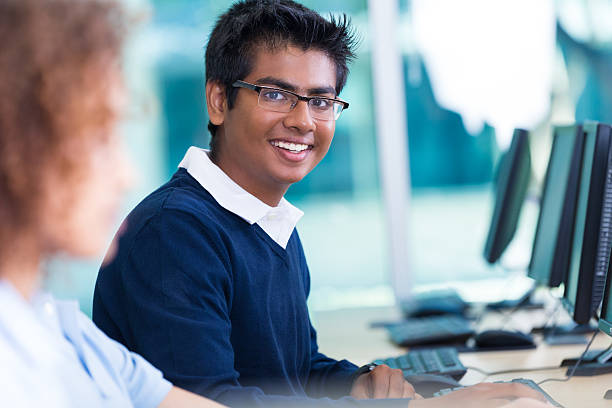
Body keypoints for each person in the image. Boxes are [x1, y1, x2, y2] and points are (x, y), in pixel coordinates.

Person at [92, 1, 550, 407]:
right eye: (275, 94)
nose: (303, 121)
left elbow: (294, 373)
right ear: (218, 101)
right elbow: (209, 402)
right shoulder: (174, 234)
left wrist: (356, 384)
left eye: (322, 100)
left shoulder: (267, 221)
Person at [0, 0, 228, 407]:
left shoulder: (61, 326)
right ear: (16, 137)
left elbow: (162, 397)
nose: (128, 175)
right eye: (99, 135)